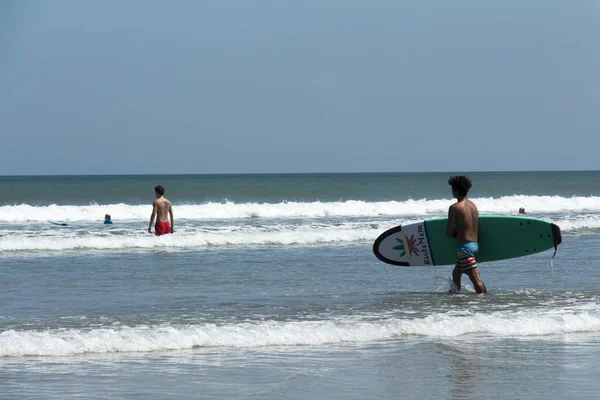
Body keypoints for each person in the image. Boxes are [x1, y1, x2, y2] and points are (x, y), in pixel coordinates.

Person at [446, 176, 487, 294]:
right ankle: (455, 295)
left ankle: (484, 301)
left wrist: (455, 233)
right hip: (474, 245)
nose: (452, 192)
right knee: (456, 273)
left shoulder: (454, 208)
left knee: (476, 279)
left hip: (464, 248)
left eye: (453, 189)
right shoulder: (473, 206)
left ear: (457, 190)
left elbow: (448, 232)